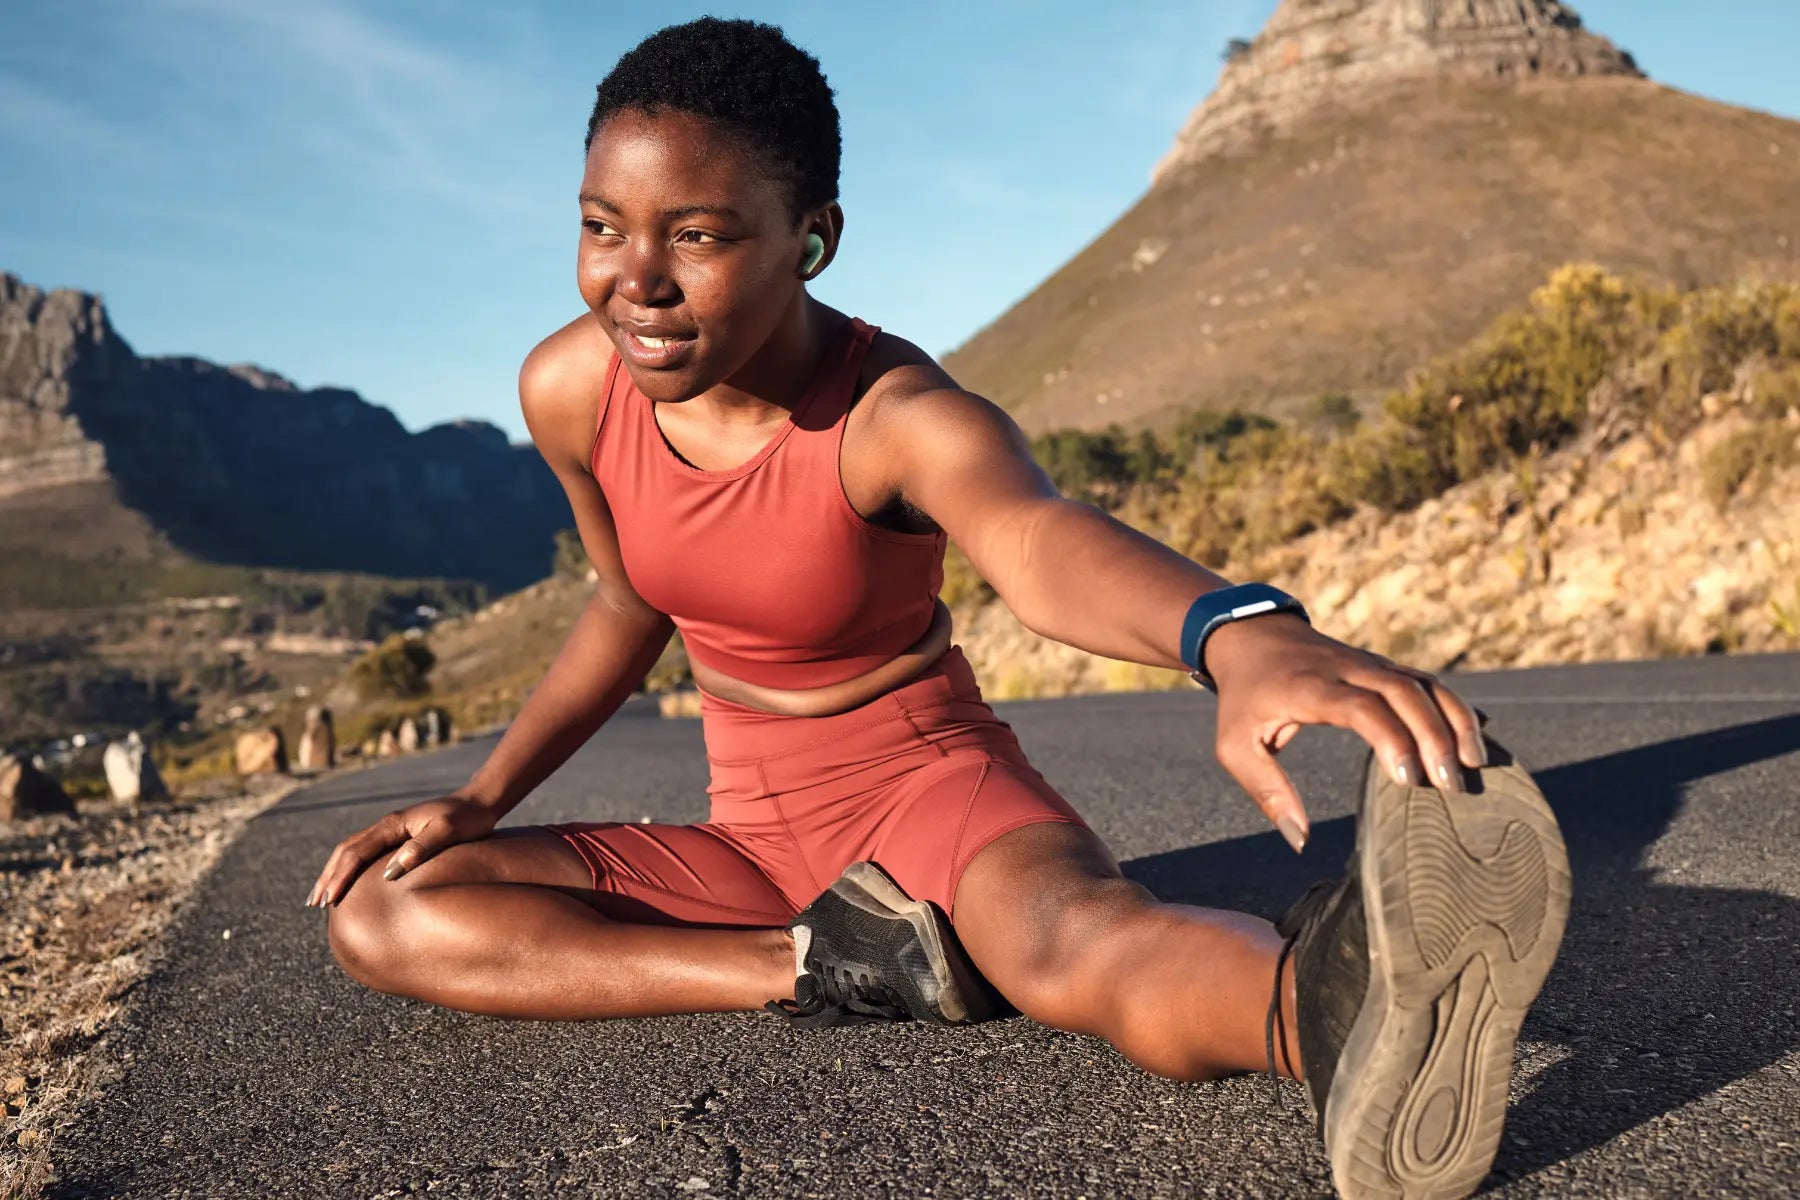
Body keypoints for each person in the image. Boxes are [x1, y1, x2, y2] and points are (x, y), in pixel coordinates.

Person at [308, 19, 1569, 1200]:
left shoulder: (895, 416)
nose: (635, 280)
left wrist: (1239, 634)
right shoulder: (571, 390)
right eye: (601, 226)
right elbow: (629, 598)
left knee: (1078, 950)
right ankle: (827, 966)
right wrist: (482, 799)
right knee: (387, 911)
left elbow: (1040, 542)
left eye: (696, 235)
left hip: (929, 792)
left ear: (812, 235)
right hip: (756, 846)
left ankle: (1337, 1006)